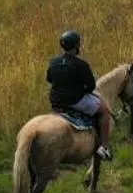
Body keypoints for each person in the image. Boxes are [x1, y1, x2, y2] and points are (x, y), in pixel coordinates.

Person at [48, 29, 113, 161]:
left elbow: (49, 79)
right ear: (77, 46)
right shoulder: (81, 64)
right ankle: (104, 147)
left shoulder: (53, 62)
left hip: (56, 101)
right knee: (104, 111)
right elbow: (91, 86)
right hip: (75, 101)